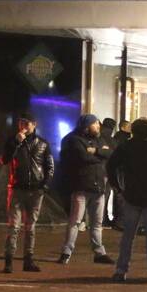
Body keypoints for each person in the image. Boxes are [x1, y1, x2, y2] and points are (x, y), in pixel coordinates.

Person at [107, 118, 147, 282]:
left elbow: (111, 166)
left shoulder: (126, 145)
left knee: (128, 235)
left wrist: (118, 187)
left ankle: (121, 269)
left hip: (131, 194)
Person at [1, 112, 54, 273]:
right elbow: (4, 159)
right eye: (21, 122)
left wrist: (45, 185)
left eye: (27, 123)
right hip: (17, 188)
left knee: (30, 227)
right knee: (14, 226)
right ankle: (9, 260)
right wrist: (15, 143)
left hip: (36, 190)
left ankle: (28, 260)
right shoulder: (13, 141)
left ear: (34, 124)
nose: (24, 126)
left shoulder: (43, 144)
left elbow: (49, 166)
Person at [58, 114, 114, 266]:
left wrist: (95, 151)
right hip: (81, 186)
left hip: (98, 186)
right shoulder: (74, 139)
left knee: (96, 222)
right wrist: (100, 154)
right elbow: (83, 157)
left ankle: (99, 252)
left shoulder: (98, 139)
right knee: (75, 221)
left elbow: (110, 153)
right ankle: (66, 252)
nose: (98, 127)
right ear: (87, 125)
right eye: (95, 124)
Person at [100, 118, 119, 227]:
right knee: (105, 196)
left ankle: (102, 218)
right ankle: (103, 218)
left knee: (101, 196)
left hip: (100, 170)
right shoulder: (113, 141)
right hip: (109, 171)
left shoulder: (98, 138)